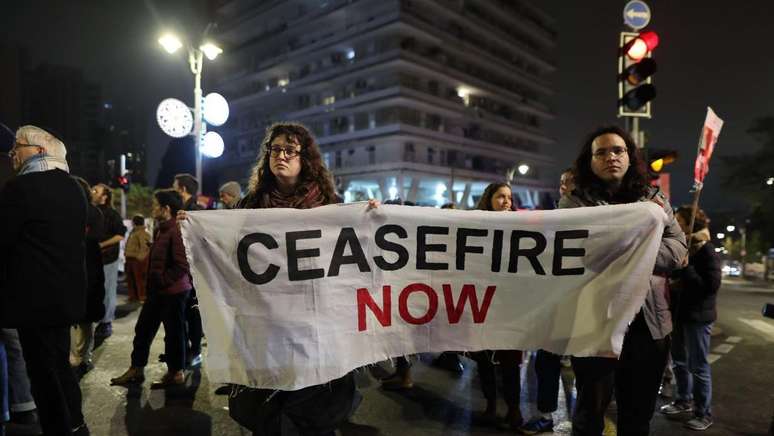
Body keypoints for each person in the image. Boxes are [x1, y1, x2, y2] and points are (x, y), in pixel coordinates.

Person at [184, 122, 359, 435]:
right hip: (265, 326)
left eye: (290, 150)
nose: (281, 155)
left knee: (313, 417)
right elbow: (226, 254)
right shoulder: (249, 206)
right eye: (275, 149)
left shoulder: (330, 207)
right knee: (267, 416)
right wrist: (195, 229)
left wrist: (371, 218)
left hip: (314, 328)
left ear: (306, 159)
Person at [559, 125, 687, 436]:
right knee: (590, 414)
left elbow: (679, 250)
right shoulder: (573, 204)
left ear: (630, 157)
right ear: (589, 161)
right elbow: (580, 254)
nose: (610, 157)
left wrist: (627, 252)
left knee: (637, 416)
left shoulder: (655, 200)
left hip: (649, 326)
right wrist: (639, 250)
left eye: (618, 150)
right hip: (594, 325)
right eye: (601, 152)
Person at [0, 125, 89, 435]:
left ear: (39, 152)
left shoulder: (20, 189)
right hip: (66, 297)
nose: (12, 154)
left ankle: (59, 429)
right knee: (60, 367)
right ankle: (76, 425)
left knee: (43, 374)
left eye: (17, 147)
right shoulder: (74, 188)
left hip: (32, 300)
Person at [111, 189, 192, 388]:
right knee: (143, 329)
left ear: (166, 209)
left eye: (156, 205)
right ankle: (136, 369)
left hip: (173, 292)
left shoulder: (177, 229)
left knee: (174, 333)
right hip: (158, 291)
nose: (153, 208)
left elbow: (182, 265)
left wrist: (162, 281)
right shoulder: (162, 228)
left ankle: (176, 373)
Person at [521, 170, 577, 434]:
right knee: (546, 362)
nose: (563, 186)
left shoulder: (598, 213)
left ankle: (588, 419)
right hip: (558, 305)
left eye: (570, 182)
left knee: (587, 367)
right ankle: (546, 414)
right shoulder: (554, 217)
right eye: (561, 182)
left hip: (587, 305)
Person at [659, 206, 721, 431]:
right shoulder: (682, 246)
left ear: (688, 224)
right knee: (679, 361)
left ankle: (703, 412)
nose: (674, 223)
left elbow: (710, 287)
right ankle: (683, 399)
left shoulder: (706, 251)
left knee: (698, 365)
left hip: (698, 316)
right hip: (679, 314)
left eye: (678, 220)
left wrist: (687, 269)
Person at [470, 182, 524, 430]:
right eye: (501, 197)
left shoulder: (522, 227)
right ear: (489, 199)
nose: (506, 202)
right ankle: (491, 406)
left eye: (510, 198)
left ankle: (514, 410)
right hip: (481, 304)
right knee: (484, 360)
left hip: (510, 305)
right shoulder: (475, 225)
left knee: (510, 362)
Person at [70, 176, 107, 378]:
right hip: (86, 268)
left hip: (86, 267)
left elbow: (93, 239)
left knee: (84, 318)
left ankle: (81, 357)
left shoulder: (90, 213)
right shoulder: (85, 212)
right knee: (82, 319)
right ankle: (80, 357)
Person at [173, 173, 204, 367]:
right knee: (183, 313)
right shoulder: (182, 209)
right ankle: (183, 350)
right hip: (183, 269)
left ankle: (196, 350)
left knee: (193, 313)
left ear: (182, 189)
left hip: (193, 271)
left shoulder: (196, 211)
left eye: (174, 187)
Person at [91, 183, 127, 339]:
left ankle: (106, 323)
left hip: (108, 258)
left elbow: (120, 235)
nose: (92, 192)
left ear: (104, 196)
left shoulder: (112, 214)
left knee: (108, 290)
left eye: (95, 191)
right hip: (94, 258)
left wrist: (101, 245)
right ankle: (99, 319)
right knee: (97, 291)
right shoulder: (91, 211)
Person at [125, 215, 151, 303]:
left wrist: (140, 258)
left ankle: (142, 296)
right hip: (130, 258)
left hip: (137, 260)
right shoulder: (133, 232)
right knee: (131, 279)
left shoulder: (142, 233)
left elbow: (145, 247)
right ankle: (133, 296)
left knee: (140, 279)